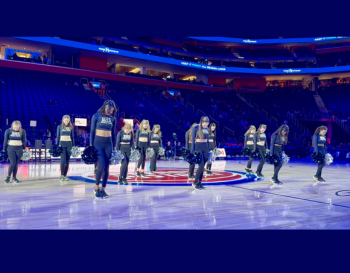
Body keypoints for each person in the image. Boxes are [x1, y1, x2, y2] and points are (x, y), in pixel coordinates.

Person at [90, 100, 117, 199]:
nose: (112, 109)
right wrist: (90, 145)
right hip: (97, 143)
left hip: (108, 145)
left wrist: (114, 148)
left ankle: (103, 189)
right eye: (111, 107)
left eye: (113, 108)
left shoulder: (113, 119)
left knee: (107, 168)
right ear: (105, 107)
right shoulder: (96, 116)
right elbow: (92, 131)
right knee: (100, 166)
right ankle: (96, 188)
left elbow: (113, 134)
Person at [191, 116, 210, 190]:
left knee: (203, 167)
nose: (205, 124)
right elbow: (193, 140)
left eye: (207, 122)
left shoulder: (207, 129)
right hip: (198, 148)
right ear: (201, 121)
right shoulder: (195, 128)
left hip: (205, 149)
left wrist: (209, 150)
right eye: (204, 122)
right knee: (201, 166)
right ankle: (195, 182)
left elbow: (208, 140)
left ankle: (200, 182)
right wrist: (192, 151)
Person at [56, 115, 75, 182]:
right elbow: (58, 137)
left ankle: (65, 175)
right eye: (65, 120)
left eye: (67, 120)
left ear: (69, 121)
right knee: (63, 160)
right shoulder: (59, 127)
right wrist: (57, 145)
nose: (66, 122)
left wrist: (73, 146)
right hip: (62, 145)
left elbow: (72, 137)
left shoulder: (71, 127)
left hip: (69, 144)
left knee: (67, 161)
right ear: (63, 120)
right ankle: (61, 175)